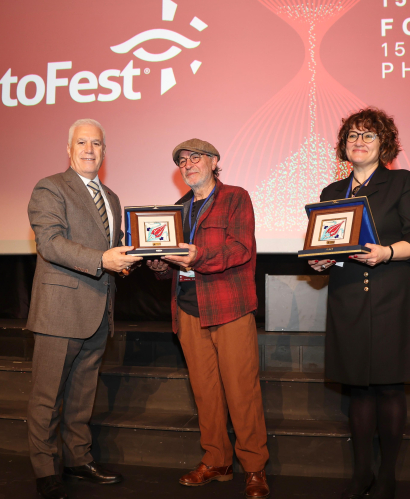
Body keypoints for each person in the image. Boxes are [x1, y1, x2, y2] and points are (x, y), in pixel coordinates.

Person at [308, 108, 410, 499]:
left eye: (368, 136)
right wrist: (320, 260)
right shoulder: (331, 192)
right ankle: (362, 474)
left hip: (392, 293)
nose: (358, 142)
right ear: (343, 145)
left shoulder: (402, 182)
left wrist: (386, 253)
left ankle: (387, 476)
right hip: (347, 296)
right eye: (352, 136)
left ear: (384, 144)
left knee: (390, 388)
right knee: (358, 389)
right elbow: (326, 245)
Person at [146, 139, 270, 499]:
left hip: (229, 306)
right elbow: (171, 261)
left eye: (195, 157)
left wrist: (197, 256)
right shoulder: (177, 210)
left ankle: (254, 467)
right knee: (205, 393)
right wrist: (157, 262)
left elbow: (240, 248)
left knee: (242, 391)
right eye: (182, 161)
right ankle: (217, 461)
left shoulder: (235, 197)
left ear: (214, 161)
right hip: (187, 308)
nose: (187, 164)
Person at [26, 118, 141, 499]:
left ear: (105, 151)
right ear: (69, 149)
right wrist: (103, 260)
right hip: (59, 311)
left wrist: (138, 257)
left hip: (98, 311)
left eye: (96, 144)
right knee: (47, 398)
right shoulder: (50, 187)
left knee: (81, 396)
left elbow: (114, 248)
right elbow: (50, 243)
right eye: (82, 143)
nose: (89, 150)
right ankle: (46, 470)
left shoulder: (112, 198)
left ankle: (77, 459)